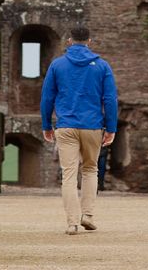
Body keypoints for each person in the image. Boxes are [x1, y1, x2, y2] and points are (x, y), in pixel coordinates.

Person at [40, 26, 118, 235]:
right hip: (92, 126)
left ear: (69, 41)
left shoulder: (57, 65)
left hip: (66, 125)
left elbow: (47, 97)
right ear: (89, 41)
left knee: (69, 174)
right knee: (90, 169)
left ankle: (72, 223)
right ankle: (88, 215)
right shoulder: (102, 66)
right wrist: (111, 128)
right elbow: (110, 99)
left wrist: (46, 125)